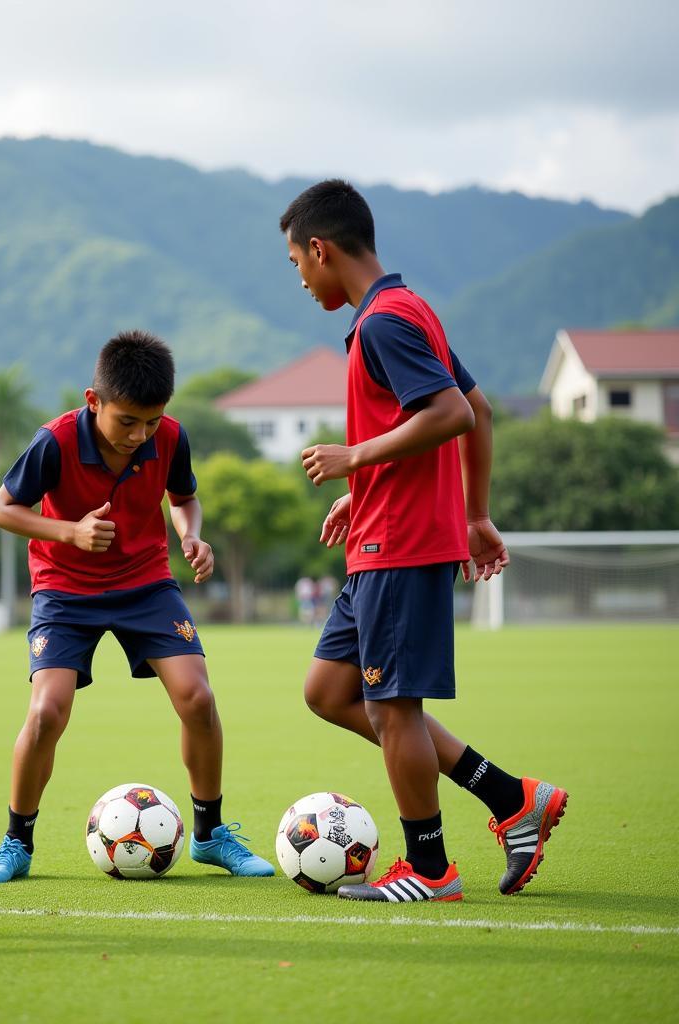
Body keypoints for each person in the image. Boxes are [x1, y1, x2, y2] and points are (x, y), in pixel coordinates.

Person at [278, 179, 567, 903]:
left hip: (400, 547)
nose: (302, 279)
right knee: (329, 691)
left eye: (296, 263)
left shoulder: (383, 323)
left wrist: (356, 459)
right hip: (383, 534)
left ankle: (430, 869)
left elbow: (450, 415)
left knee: (390, 708)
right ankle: (509, 796)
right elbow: (477, 405)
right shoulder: (407, 310)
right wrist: (468, 513)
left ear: (320, 249)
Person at [0, 330, 273, 883]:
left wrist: (191, 535)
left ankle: (209, 835)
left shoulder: (171, 437)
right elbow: (1, 509)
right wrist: (70, 531)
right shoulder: (56, 441)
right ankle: (16, 843)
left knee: (198, 698)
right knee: (46, 713)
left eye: (152, 422)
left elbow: (184, 498)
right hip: (65, 587)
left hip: (145, 581)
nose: (140, 435)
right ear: (95, 401)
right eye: (127, 421)